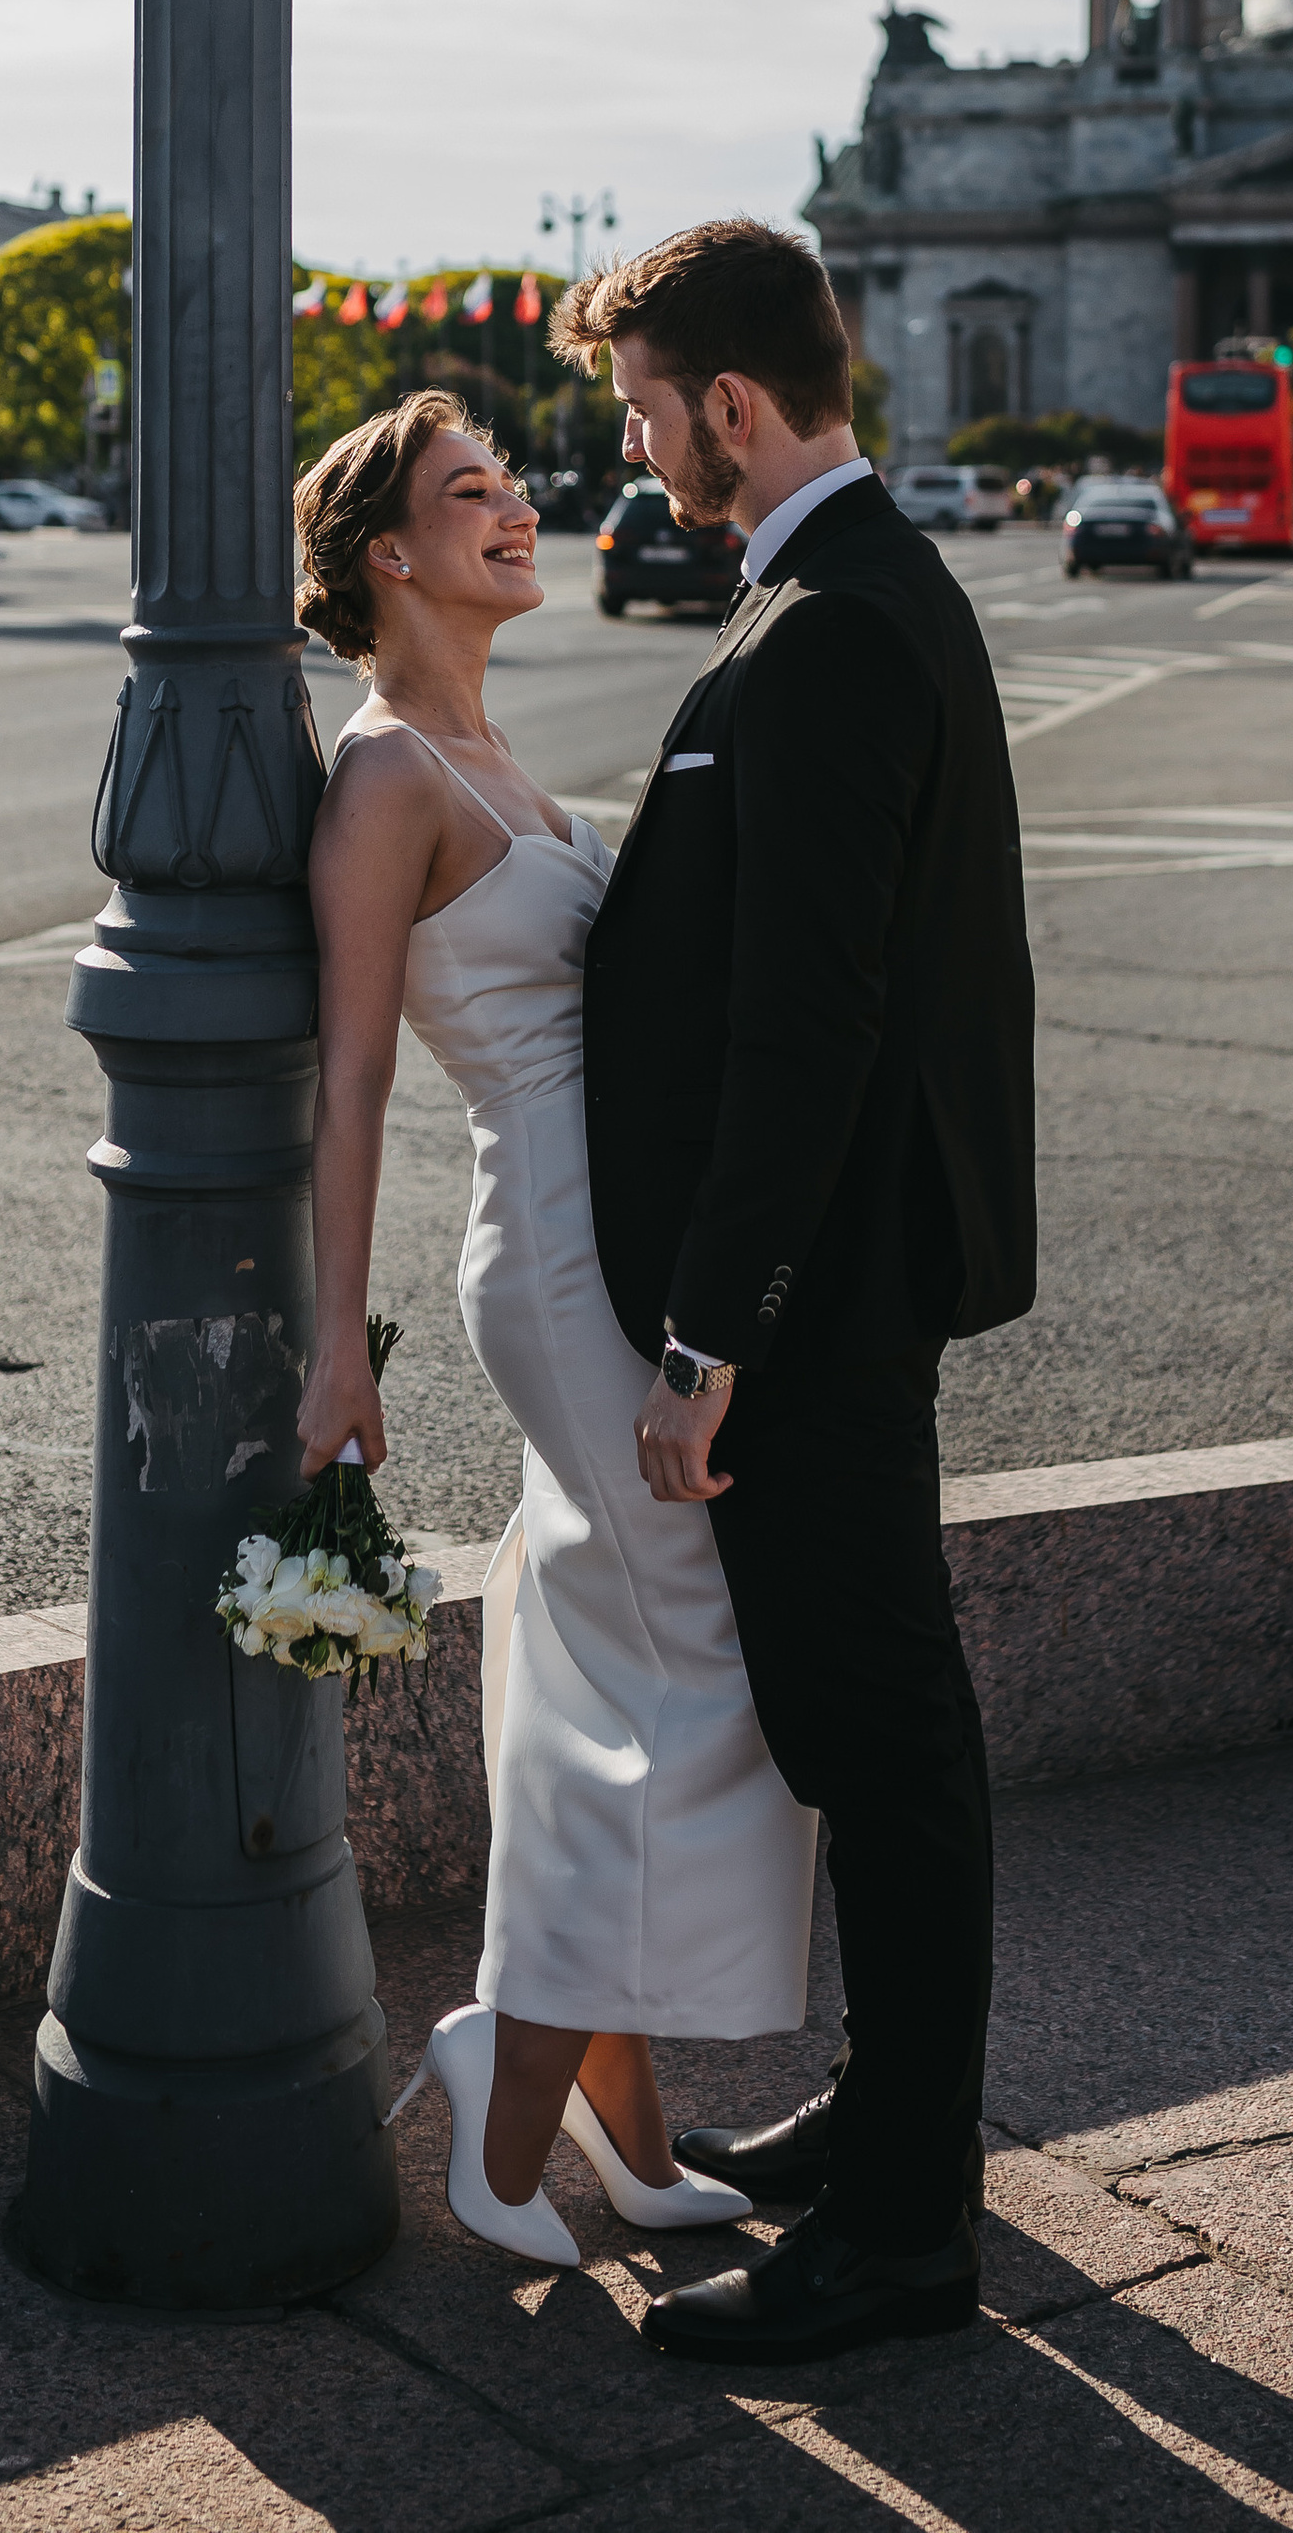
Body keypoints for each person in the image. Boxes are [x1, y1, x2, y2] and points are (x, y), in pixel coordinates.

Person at [553, 219, 1037, 2369]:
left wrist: (706, 1330)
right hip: (844, 1275)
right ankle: (891, 2127)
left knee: (883, 1737)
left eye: (646, 410)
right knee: (875, 1728)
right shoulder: (851, 588)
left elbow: (810, 1023)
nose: (637, 451)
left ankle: (907, 2235)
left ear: (731, 404)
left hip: (817, 1297)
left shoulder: (832, 625)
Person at [292, 391, 817, 2270]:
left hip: (619, 1242)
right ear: (388, 559)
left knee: (612, 1677)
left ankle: (627, 2124)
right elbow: (351, 1081)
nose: (519, 509)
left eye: (513, 483)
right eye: (470, 494)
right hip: (555, 1250)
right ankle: (504, 2105)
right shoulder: (385, 780)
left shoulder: (489, 749)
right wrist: (335, 1345)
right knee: (687, 1672)